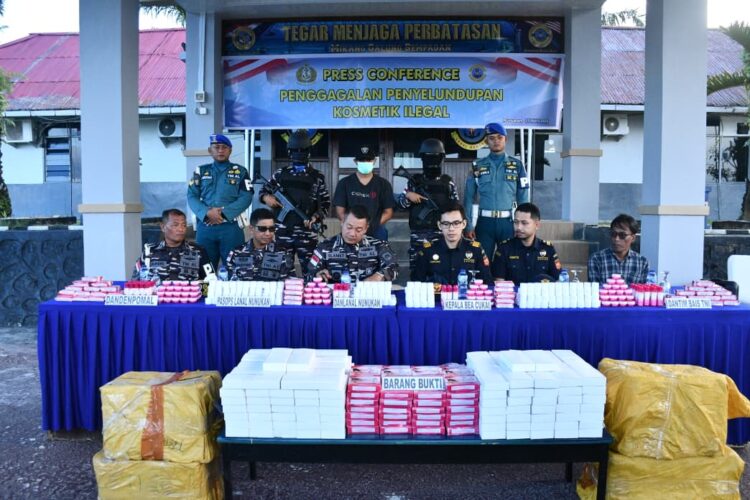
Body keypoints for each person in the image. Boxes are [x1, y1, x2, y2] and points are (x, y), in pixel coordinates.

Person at [259, 130, 330, 269]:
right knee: (281, 269)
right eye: (295, 150)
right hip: (282, 231)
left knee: (311, 270)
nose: (299, 153)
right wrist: (267, 198)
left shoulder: (317, 176)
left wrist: (316, 217)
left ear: (309, 151)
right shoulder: (280, 174)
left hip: (307, 232)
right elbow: (263, 191)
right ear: (289, 152)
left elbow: (325, 203)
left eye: (302, 150)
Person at [464, 122, 530, 258]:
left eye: (500, 137)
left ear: (506, 139)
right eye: (492, 138)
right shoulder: (477, 166)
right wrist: (469, 225)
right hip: (484, 223)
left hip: (507, 223)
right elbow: (468, 198)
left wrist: (522, 224)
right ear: (486, 141)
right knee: (483, 261)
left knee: (508, 261)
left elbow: (523, 197)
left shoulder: (517, 165)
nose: (496, 141)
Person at [187, 133, 253, 269]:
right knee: (204, 269)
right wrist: (206, 212)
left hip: (231, 226)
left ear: (230, 150)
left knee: (235, 267)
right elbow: (192, 195)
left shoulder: (240, 171)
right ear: (210, 150)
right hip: (206, 226)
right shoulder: (201, 171)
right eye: (216, 147)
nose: (220, 150)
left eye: (224, 147)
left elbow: (247, 196)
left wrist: (223, 214)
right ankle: (206, 285)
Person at [397, 138, 459, 272]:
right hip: (419, 234)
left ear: (441, 158)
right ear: (422, 158)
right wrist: (408, 195)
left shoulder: (447, 182)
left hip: (442, 233)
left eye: (436, 157)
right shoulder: (414, 182)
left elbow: (456, 207)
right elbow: (402, 204)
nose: (432, 161)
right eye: (429, 157)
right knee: (417, 270)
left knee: (442, 270)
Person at [307, 204, 398, 283]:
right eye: (349, 227)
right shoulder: (325, 246)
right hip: (336, 295)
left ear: (366, 228)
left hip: (367, 295)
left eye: (358, 230)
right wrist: (317, 275)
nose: (352, 234)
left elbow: (393, 267)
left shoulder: (377, 246)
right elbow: (309, 274)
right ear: (342, 222)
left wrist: (379, 276)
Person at [412, 202, 492, 285]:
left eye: (456, 223)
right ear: (439, 225)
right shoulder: (427, 251)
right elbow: (416, 284)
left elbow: (488, 283)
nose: (451, 228)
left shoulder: (475, 250)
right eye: (446, 224)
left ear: (464, 224)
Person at [333, 145, 395, 240]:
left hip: (375, 229)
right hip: (352, 230)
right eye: (361, 160)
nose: (365, 163)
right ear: (355, 161)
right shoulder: (344, 183)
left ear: (374, 161)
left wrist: (369, 226)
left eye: (369, 160)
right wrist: (353, 227)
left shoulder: (383, 184)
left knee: (381, 237)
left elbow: (388, 212)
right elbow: (340, 211)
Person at [132, 208, 213, 281]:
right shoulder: (149, 252)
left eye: (184, 225)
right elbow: (135, 283)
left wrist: (196, 291)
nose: (181, 229)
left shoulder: (198, 251)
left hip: (188, 293)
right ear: (163, 227)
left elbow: (211, 282)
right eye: (175, 225)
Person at [491, 203, 561, 285]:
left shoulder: (548, 249)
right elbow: (499, 283)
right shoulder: (504, 249)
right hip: (513, 293)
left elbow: (558, 280)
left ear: (537, 225)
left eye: (524, 223)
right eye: (516, 222)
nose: (518, 227)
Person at [224, 208, 294, 281]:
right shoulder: (237, 253)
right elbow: (229, 282)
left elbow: (290, 284)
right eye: (262, 229)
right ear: (251, 229)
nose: (268, 233)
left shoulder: (283, 254)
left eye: (271, 229)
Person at [588, 213, 650, 284]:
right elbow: (594, 288)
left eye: (622, 235)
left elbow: (644, 289)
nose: (616, 239)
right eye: (613, 234)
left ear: (633, 238)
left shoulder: (642, 262)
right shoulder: (597, 259)